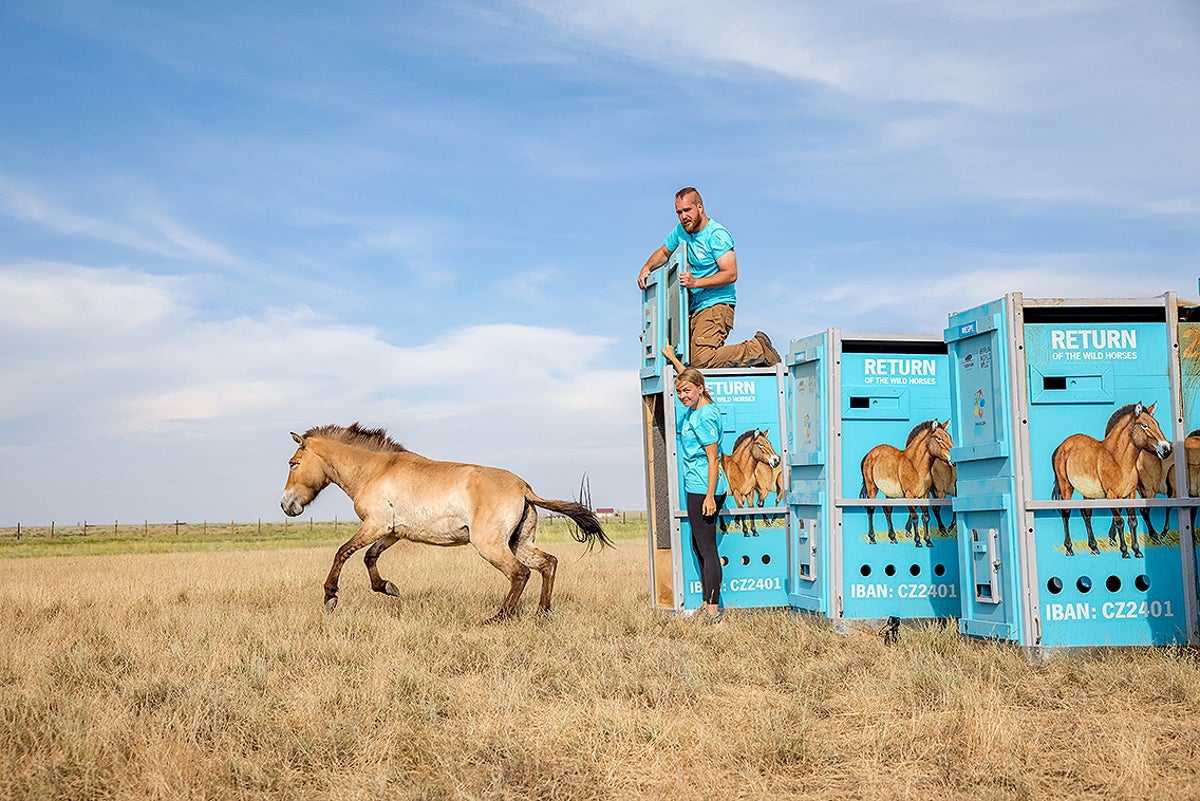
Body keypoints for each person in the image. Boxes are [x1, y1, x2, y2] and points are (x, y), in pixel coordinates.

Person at [637, 187, 780, 369]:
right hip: (693, 308)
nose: (683, 216)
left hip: (717, 304)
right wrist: (646, 267)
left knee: (701, 361)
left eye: (687, 210)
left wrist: (695, 282)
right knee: (676, 358)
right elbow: (664, 253)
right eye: (679, 212)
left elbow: (731, 273)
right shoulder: (681, 231)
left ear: (700, 208)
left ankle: (757, 349)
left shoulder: (717, 235)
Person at [675, 366, 728, 623]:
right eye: (678, 391)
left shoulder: (704, 416)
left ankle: (713, 612)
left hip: (703, 488)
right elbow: (689, 376)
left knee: (707, 549)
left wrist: (708, 496)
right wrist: (674, 359)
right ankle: (707, 602)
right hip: (697, 485)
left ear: (700, 388)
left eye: (686, 390)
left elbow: (713, 458)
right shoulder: (696, 408)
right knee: (699, 546)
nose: (682, 395)